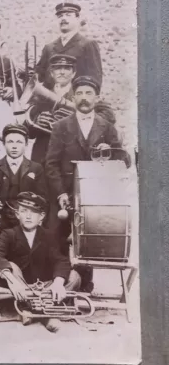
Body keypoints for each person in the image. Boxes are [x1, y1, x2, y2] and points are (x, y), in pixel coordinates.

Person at [45, 75, 131, 272]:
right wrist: (60, 193)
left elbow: (123, 161)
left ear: (97, 98)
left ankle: (85, 283)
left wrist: (108, 150)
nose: (84, 98)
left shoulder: (107, 127)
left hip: (95, 196)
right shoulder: (60, 126)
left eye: (88, 93)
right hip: (65, 194)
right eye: (79, 94)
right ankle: (58, 282)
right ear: (73, 98)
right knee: (55, 238)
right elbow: (51, 164)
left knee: (90, 237)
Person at [0, 192, 81, 333]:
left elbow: (60, 260)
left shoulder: (49, 236)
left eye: (34, 212)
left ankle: (32, 311)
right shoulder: (9, 234)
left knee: (74, 276)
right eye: (24, 211)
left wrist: (58, 283)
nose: (29, 216)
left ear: (41, 217)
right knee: (11, 266)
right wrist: (13, 280)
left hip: (44, 286)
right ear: (17, 214)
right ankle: (47, 314)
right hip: (20, 286)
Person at [27, 54, 115, 165]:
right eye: (57, 68)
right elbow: (29, 132)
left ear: (73, 73)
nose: (62, 72)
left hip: (70, 157)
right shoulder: (41, 95)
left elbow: (109, 115)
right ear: (51, 73)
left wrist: (78, 117)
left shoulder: (82, 93)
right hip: (43, 156)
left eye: (67, 68)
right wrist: (37, 120)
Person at [0, 124, 47, 247]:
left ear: (26, 144)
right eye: (10, 142)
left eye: (19, 142)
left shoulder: (36, 168)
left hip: (25, 219)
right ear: (4, 144)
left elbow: (42, 196)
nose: (14, 146)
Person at [36, 2, 103, 88]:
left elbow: (95, 79)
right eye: (60, 16)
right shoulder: (48, 48)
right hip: (49, 99)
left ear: (77, 18)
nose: (63, 19)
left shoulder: (87, 44)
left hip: (75, 99)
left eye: (68, 15)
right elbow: (40, 77)